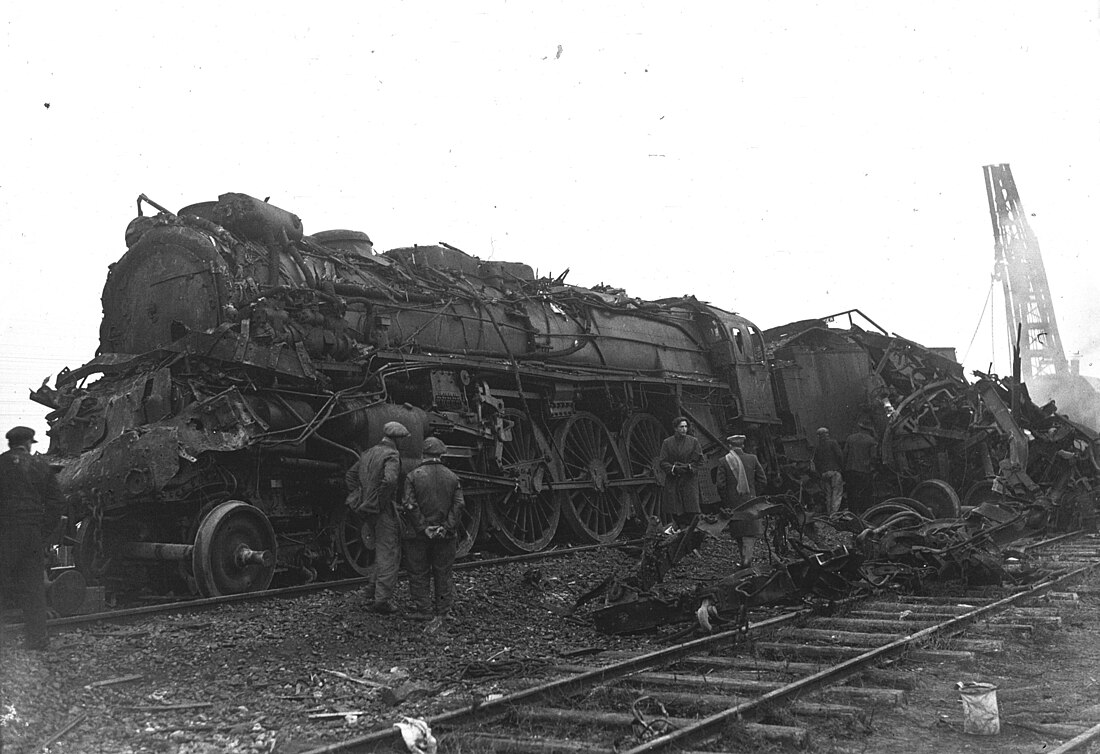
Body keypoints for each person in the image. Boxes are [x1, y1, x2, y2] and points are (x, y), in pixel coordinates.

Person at [0, 426, 65, 650]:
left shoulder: (1, 463)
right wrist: (42, 531)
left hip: (5, 533)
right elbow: (57, 503)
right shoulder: (40, 466)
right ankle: (37, 640)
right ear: (28, 443)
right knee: (33, 586)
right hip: (32, 533)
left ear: (10, 444)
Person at [399, 437, 465, 620]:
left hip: (418, 535)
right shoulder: (453, 477)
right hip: (445, 536)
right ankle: (443, 610)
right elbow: (459, 505)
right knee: (443, 572)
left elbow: (409, 505)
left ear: (423, 454)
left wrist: (423, 528)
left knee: (418, 571)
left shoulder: (413, 476)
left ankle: (424, 609)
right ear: (441, 454)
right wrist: (446, 527)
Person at [348, 421, 409, 614]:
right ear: (397, 439)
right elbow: (390, 480)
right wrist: (379, 501)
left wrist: (361, 497)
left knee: (380, 552)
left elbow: (350, 475)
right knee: (389, 554)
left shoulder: (367, 453)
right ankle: (382, 601)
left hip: (368, 512)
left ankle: (370, 591)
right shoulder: (392, 454)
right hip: (383, 511)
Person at [715, 434, 768, 566]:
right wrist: (754, 495)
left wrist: (727, 501)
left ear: (730, 446)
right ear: (743, 445)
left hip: (734, 503)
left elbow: (721, 485)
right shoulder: (752, 458)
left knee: (739, 532)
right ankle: (746, 560)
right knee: (749, 532)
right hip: (751, 501)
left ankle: (744, 560)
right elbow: (762, 480)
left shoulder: (723, 461)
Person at [657, 416, 704, 528]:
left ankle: (691, 535)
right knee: (676, 510)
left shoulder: (693, 442)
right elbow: (662, 461)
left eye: (686, 427)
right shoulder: (667, 443)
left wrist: (690, 467)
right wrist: (673, 468)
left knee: (691, 509)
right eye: (681, 427)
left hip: (689, 480)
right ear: (675, 428)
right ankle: (680, 532)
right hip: (674, 480)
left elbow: (700, 461)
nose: (684, 429)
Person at [843, 422, 878, 513]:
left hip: (850, 470)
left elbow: (845, 453)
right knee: (865, 493)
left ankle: (853, 513)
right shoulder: (871, 440)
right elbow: (873, 457)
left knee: (851, 493)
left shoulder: (850, 438)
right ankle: (864, 513)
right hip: (864, 471)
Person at [812, 426, 845, 514]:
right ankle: (834, 514)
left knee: (828, 495)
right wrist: (842, 468)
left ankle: (829, 513)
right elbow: (839, 456)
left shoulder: (817, 447)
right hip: (834, 471)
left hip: (824, 474)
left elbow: (816, 461)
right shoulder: (833, 443)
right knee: (836, 494)